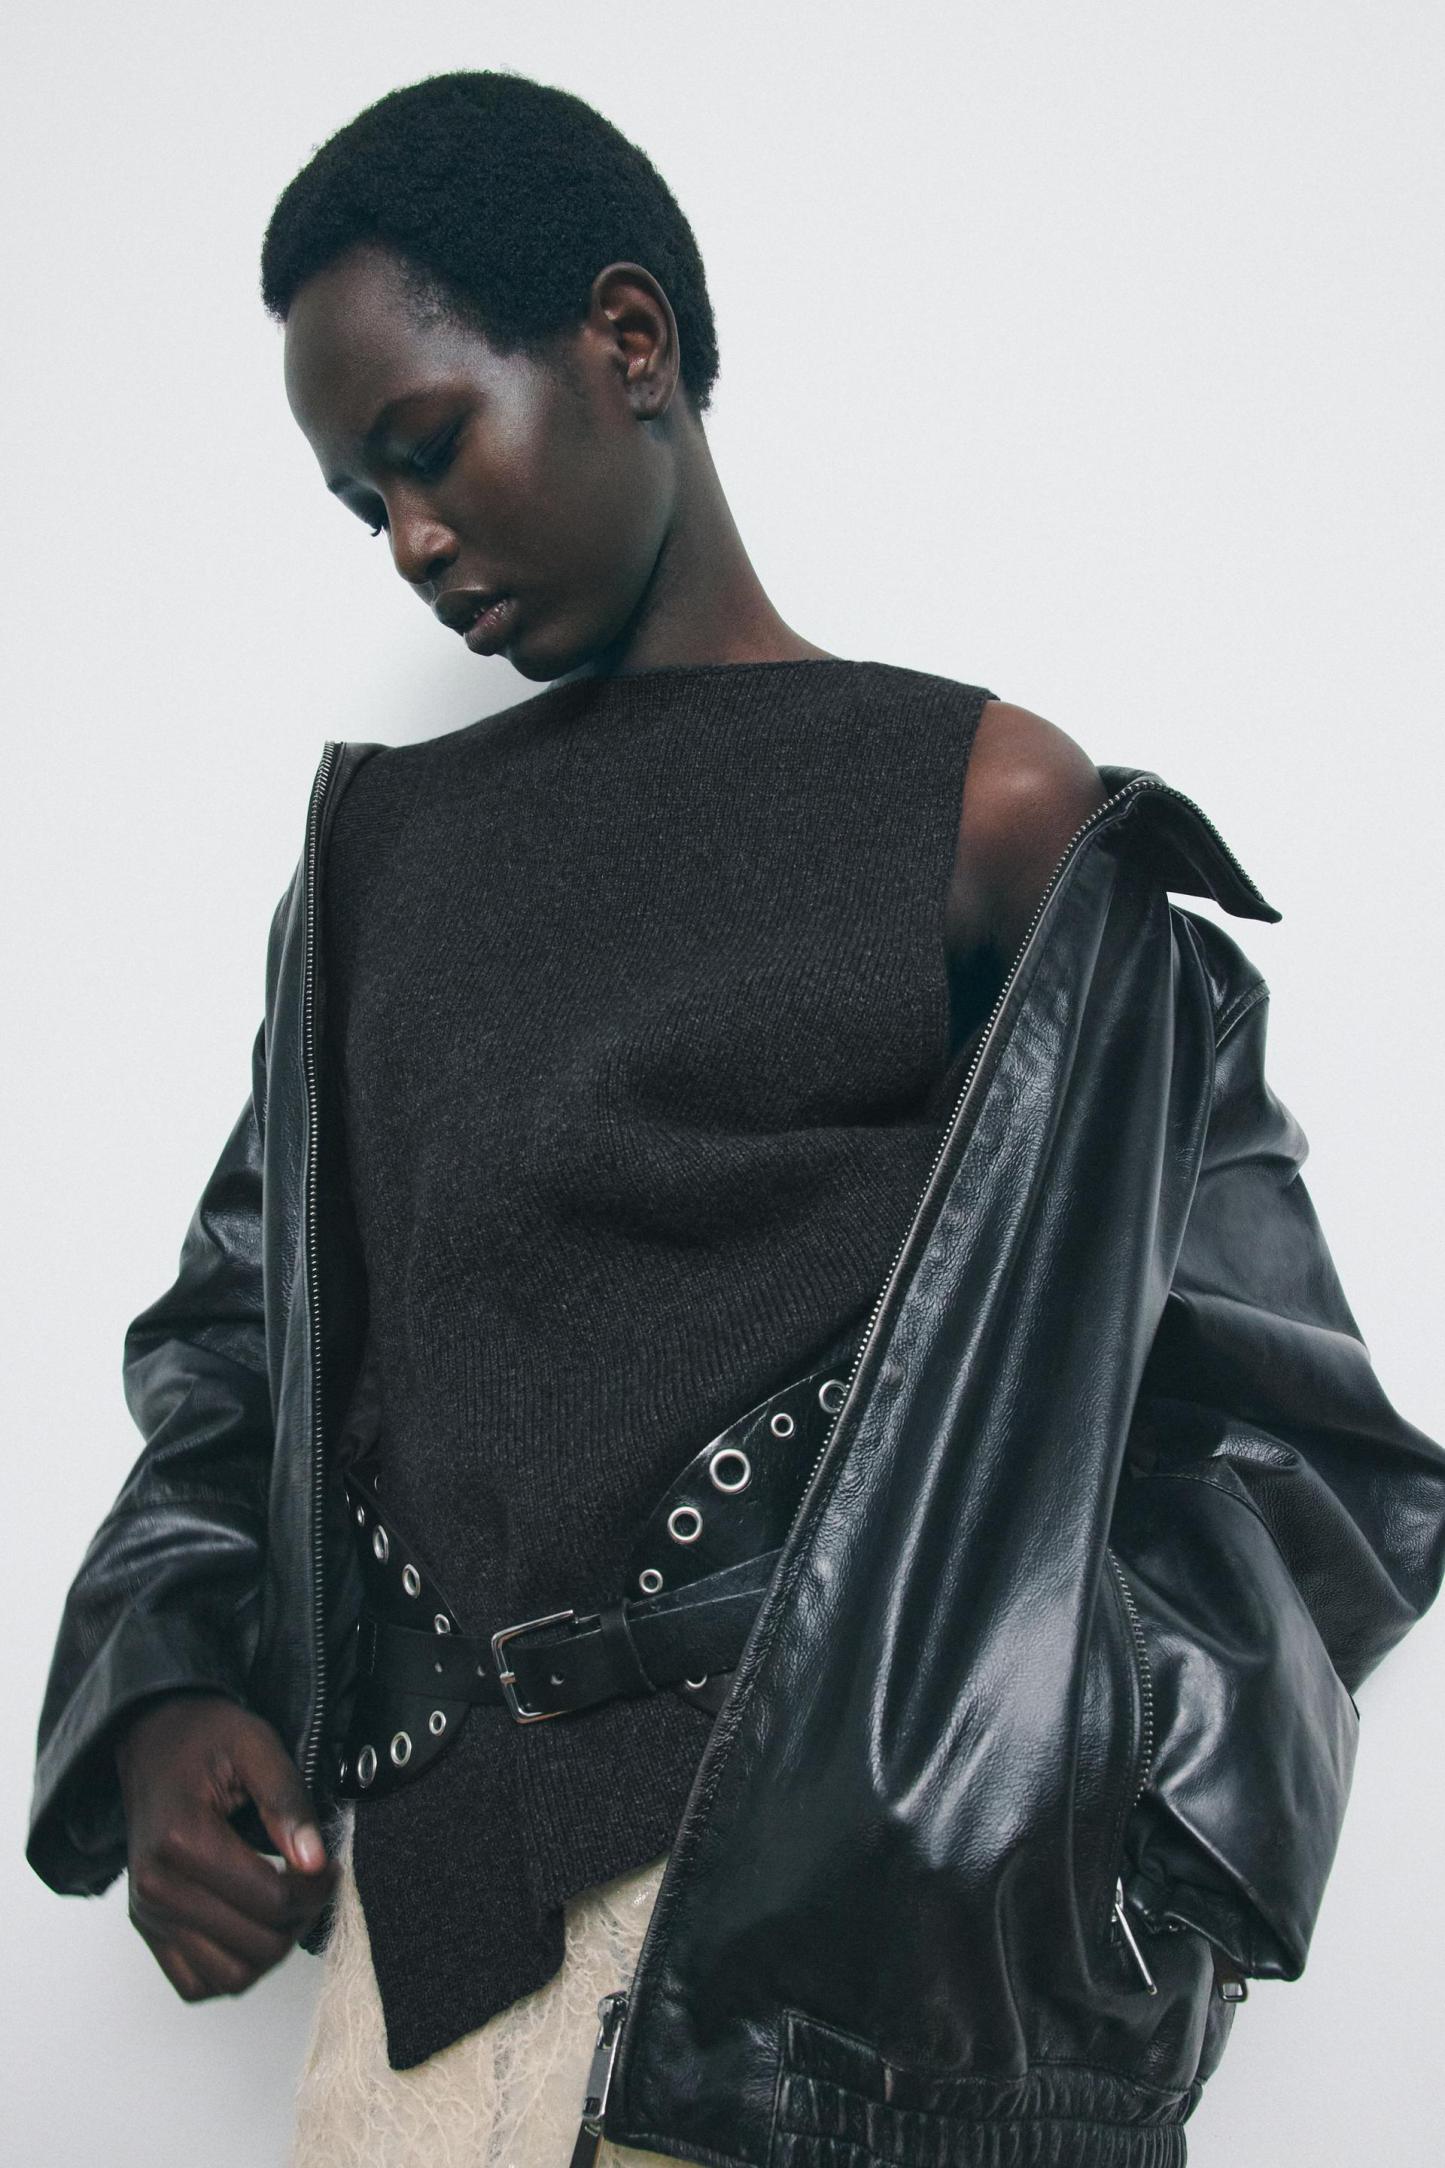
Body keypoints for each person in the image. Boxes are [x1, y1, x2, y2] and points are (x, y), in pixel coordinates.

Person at [27, 69, 1445, 2168]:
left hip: (847, 2023)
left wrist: (1036, 1831)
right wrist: (162, 1686)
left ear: (629, 341)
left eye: (428, 447)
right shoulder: (379, 867)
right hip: (417, 2007)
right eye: (360, 505)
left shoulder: (983, 811)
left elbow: (1291, 1438)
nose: (410, 542)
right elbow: (239, 1346)